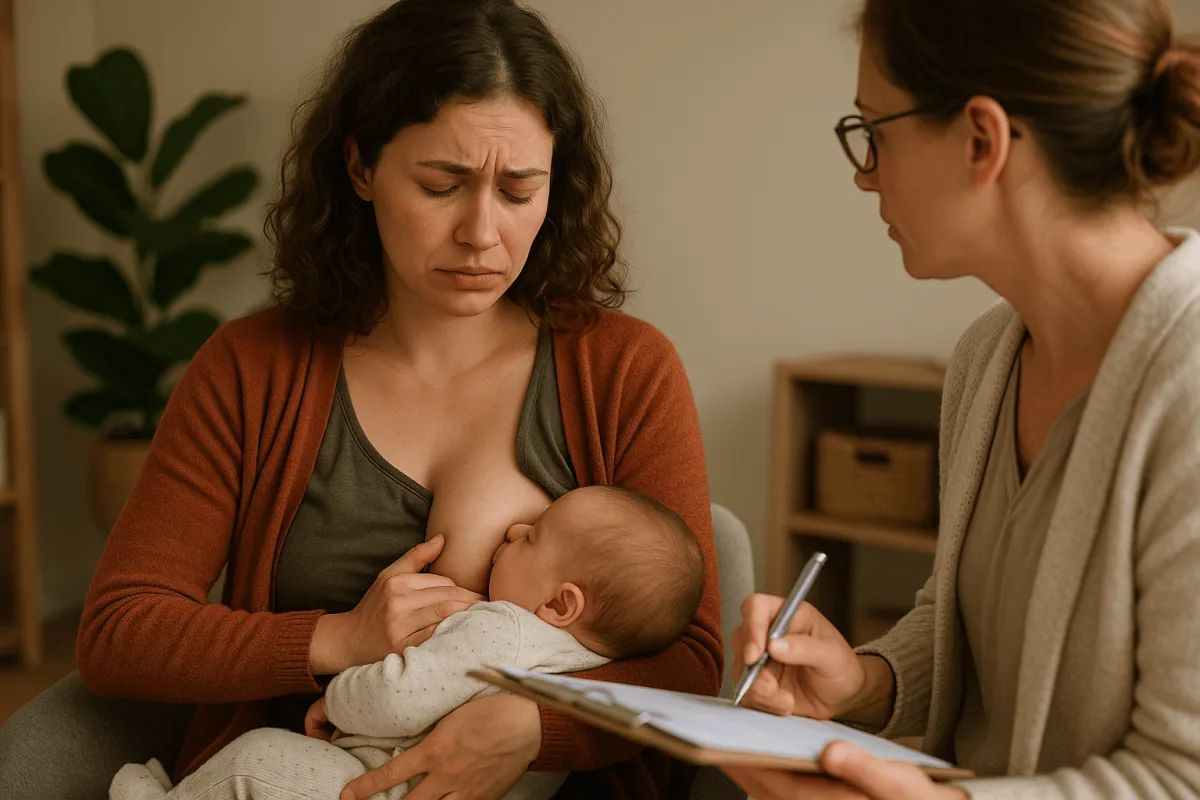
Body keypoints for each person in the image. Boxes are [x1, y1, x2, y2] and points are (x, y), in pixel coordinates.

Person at [0, 1, 722, 798]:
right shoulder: (251, 369)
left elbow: (692, 660)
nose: (482, 232)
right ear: (361, 168)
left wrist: (533, 728)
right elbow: (118, 631)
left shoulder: (623, 370)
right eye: (442, 184)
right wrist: (336, 639)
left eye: (520, 190)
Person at [728, 0, 1200, 798]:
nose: (863, 170)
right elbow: (971, 631)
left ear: (983, 140)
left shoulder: (1186, 385)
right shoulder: (988, 357)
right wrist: (865, 681)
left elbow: (1181, 776)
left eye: (875, 129)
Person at [108, 485, 705, 800]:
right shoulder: (593, 656)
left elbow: (399, 699)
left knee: (257, 758)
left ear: (559, 604)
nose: (517, 528)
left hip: (380, 788)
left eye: (535, 536)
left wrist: (337, 697)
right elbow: (121, 626)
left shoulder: (504, 628)